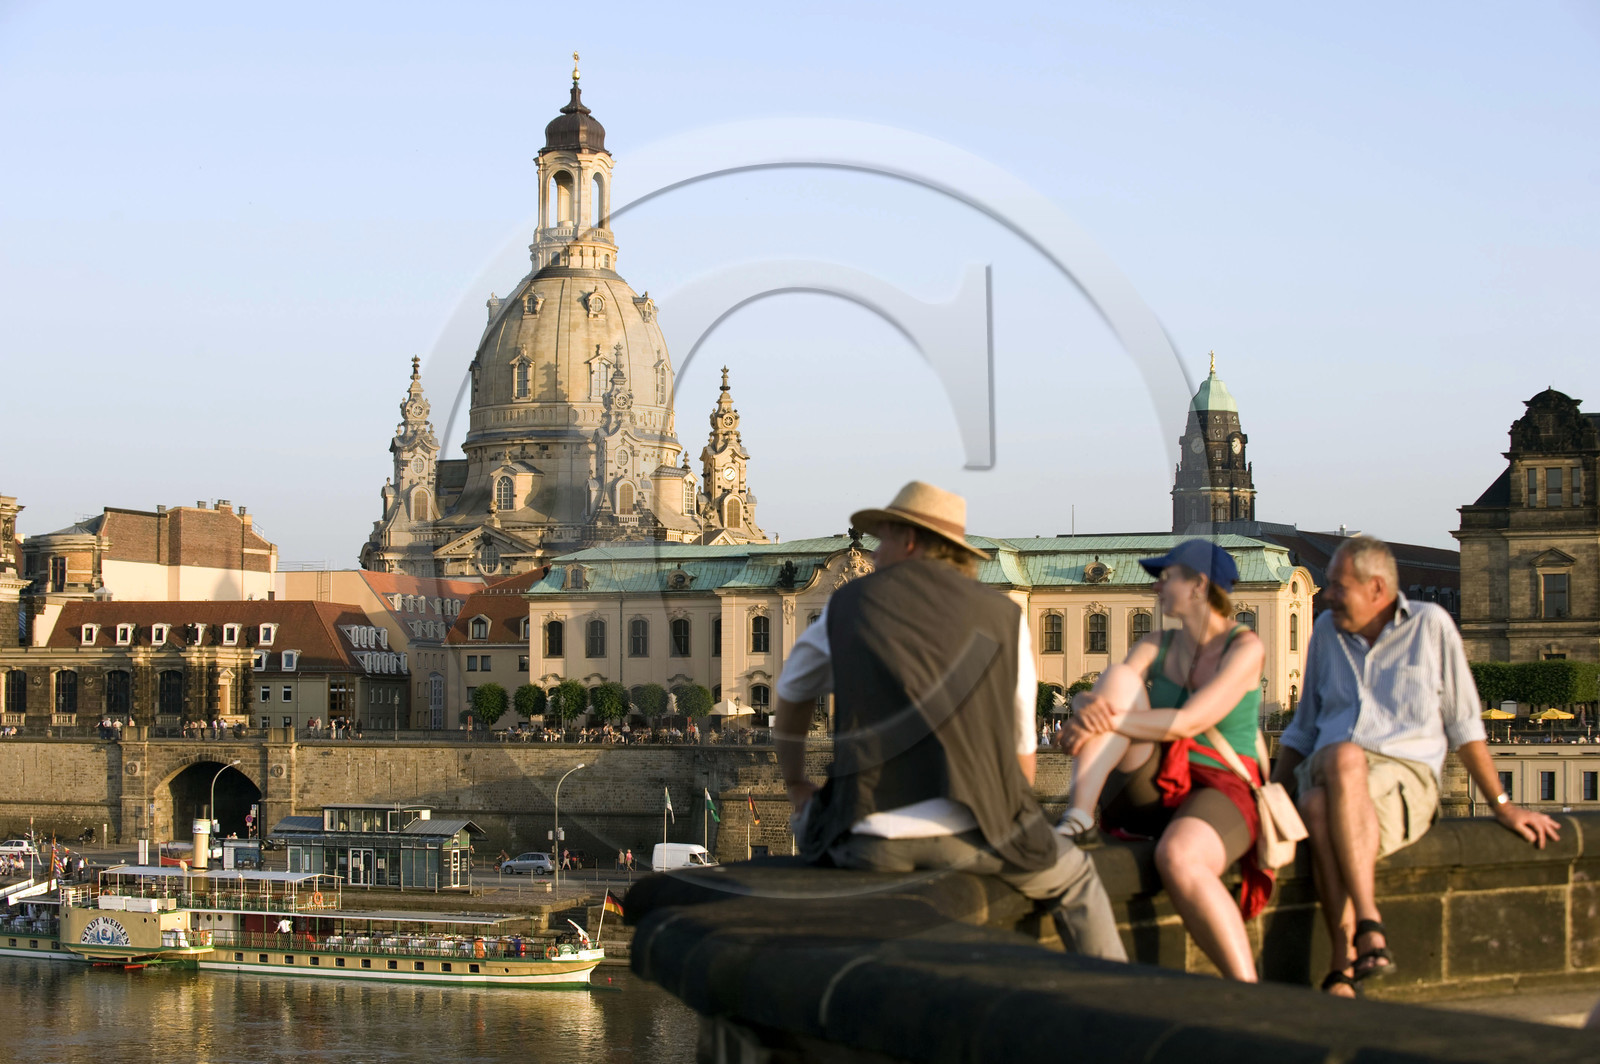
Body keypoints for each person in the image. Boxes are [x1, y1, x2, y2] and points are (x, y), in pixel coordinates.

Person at [774, 481, 1126, 961]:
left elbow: (792, 695)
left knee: (808, 823)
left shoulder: (849, 604)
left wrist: (796, 782)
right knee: (1080, 881)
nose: (875, 556)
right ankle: (1116, 1004)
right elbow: (1023, 760)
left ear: (912, 540)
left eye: (885, 541)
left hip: (870, 841)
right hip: (980, 837)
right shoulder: (1004, 615)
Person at [1272, 536, 1561, 996]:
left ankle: (1340, 963)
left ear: (1377, 588)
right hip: (1329, 763)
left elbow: (1465, 725)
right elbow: (1302, 729)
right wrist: (1271, 799)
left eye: (1338, 586)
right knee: (1342, 758)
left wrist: (1503, 806)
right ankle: (1369, 928)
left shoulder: (1430, 626)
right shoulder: (1326, 630)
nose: (1327, 596)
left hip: (1401, 776)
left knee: (1320, 806)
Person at [1052, 539, 1269, 982]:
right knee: (1116, 675)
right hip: (1155, 784)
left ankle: (1246, 989)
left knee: (1179, 857)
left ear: (1198, 586)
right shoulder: (1159, 642)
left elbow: (1186, 723)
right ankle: (1079, 815)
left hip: (1219, 787)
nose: (1156, 589)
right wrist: (1081, 705)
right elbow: (1107, 694)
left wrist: (1099, 719)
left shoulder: (1245, 649)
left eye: (1165, 578)